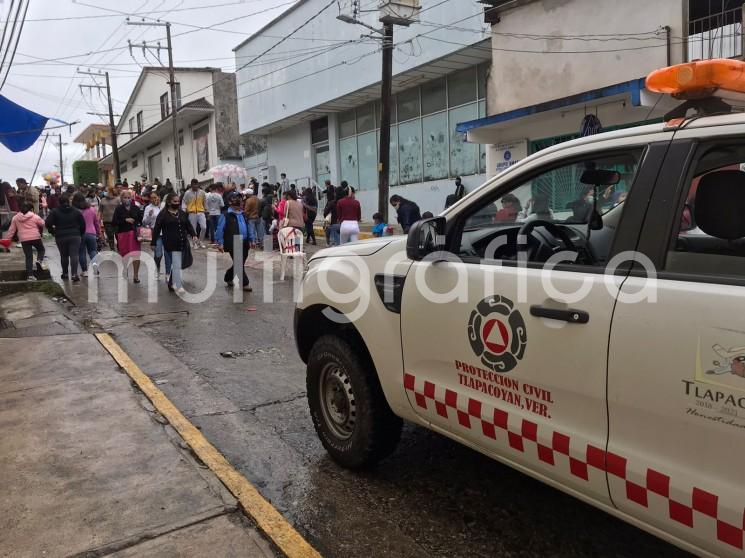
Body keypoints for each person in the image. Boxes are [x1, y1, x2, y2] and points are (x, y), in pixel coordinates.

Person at [151, 193, 196, 294]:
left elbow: (188, 225)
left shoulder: (181, 213)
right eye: (174, 201)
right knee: (176, 263)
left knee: (177, 264)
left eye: (178, 201)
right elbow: (157, 229)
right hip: (170, 243)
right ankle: (177, 284)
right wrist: (153, 242)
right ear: (169, 202)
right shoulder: (163, 214)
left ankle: (171, 283)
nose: (177, 203)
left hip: (182, 242)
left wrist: (194, 234)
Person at [216, 192, 255, 291]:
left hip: (245, 242)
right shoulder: (226, 215)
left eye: (240, 199)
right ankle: (244, 283)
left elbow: (249, 227)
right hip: (233, 242)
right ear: (230, 202)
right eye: (235, 199)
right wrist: (220, 243)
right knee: (238, 262)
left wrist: (252, 239)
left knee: (240, 263)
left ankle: (228, 276)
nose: (239, 201)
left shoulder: (244, 214)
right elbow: (220, 230)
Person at [45, 192, 85, 282]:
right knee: (74, 255)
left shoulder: (54, 211)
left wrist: (53, 231)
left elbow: (47, 223)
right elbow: (83, 224)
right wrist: (80, 233)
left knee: (64, 256)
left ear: (59, 202)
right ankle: (74, 274)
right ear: (68, 201)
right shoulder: (76, 211)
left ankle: (65, 273)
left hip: (60, 235)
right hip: (75, 235)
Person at [6, 202, 45, 281]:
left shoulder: (15, 218)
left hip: (24, 239)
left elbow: (11, 230)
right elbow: (42, 223)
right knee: (41, 249)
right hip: (35, 237)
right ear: (30, 209)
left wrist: (7, 241)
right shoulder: (34, 216)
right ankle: (39, 260)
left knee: (28, 257)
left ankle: (30, 276)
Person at [113, 189, 143, 283]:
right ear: (121, 198)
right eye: (125, 198)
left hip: (134, 234)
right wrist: (125, 220)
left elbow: (141, 220)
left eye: (129, 197)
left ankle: (136, 276)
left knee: (136, 255)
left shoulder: (136, 208)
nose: (127, 199)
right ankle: (125, 272)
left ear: (131, 198)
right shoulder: (118, 209)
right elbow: (114, 222)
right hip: (123, 234)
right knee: (124, 255)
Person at [72, 192, 100, 277]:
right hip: (92, 233)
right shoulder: (92, 209)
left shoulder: (74, 211)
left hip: (80, 234)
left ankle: (85, 271)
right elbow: (96, 222)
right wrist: (98, 233)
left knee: (81, 252)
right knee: (93, 251)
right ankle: (95, 267)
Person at [182, 179, 207, 248]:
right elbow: (184, 201)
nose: (195, 186)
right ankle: (194, 243)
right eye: (194, 185)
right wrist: (184, 210)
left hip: (201, 212)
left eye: (197, 185)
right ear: (191, 185)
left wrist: (206, 209)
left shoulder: (202, 192)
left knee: (204, 227)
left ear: (198, 184)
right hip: (192, 213)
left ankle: (200, 241)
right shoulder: (187, 193)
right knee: (193, 229)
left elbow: (205, 201)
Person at [142, 193, 163, 275]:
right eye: (152, 198)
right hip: (156, 233)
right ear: (150, 199)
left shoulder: (162, 206)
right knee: (158, 254)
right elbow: (144, 222)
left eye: (156, 197)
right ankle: (157, 267)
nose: (154, 199)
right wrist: (149, 216)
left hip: (166, 232)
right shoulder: (148, 208)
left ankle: (169, 272)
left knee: (168, 253)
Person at [99, 184, 120, 250]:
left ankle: (119, 248)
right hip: (107, 221)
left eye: (108, 191)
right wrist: (98, 219)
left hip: (116, 221)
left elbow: (120, 210)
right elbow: (100, 210)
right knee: (110, 236)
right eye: (106, 191)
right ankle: (112, 249)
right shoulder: (103, 200)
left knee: (118, 236)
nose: (107, 192)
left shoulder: (117, 199)